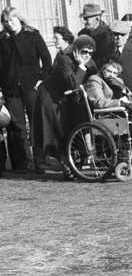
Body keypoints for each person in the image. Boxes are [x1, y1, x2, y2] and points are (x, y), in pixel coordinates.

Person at [32, 35, 95, 173]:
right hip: (50, 97)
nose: (87, 55)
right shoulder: (64, 59)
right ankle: (64, 164)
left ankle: (73, 162)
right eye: (84, 52)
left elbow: (96, 76)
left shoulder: (90, 61)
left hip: (66, 98)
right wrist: (81, 66)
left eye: (90, 52)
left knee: (70, 127)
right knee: (57, 130)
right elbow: (73, 83)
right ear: (76, 50)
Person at [0, 7, 51, 173]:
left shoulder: (33, 35)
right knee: (16, 127)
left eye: (12, 21)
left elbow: (46, 58)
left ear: (19, 20)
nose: (10, 25)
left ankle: (41, 162)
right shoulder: (2, 39)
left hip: (32, 87)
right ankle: (22, 162)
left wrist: (42, 79)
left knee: (36, 124)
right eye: (6, 22)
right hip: (10, 88)